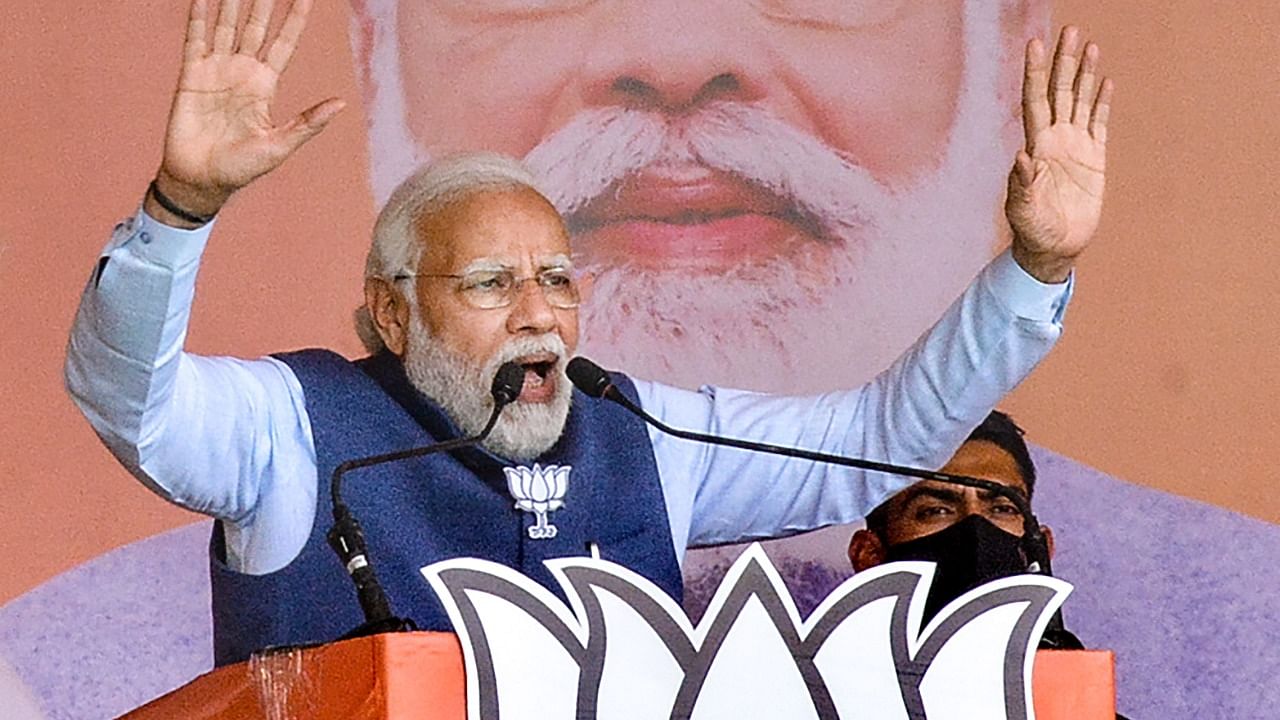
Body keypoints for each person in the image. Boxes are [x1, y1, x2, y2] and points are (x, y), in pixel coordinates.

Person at [64, 0, 1110, 666]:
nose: (538, 312)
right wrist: (177, 212)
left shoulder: (637, 434)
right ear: (393, 311)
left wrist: (1036, 268)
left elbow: (880, 439)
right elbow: (131, 403)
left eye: (557, 279)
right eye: (489, 282)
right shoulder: (290, 429)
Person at [345, 0, 1064, 392]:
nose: (676, 58)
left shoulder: (672, 452)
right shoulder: (296, 446)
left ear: (1004, 49)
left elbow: (886, 434)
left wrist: (1039, 266)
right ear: (373, 53)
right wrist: (221, 208)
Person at [847, 410, 1054, 623]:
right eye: (936, 511)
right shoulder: (828, 657)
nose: (975, 526)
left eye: (1003, 509)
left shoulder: (1080, 657)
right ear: (869, 554)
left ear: (1044, 550)